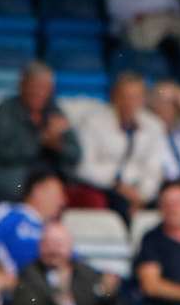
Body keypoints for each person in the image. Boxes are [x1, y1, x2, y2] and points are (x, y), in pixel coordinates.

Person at [0, 61, 80, 206]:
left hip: (48, 181)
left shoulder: (55, 112)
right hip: (11, 178)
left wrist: (58, 145)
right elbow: (2, 151)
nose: (39, 92)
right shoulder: (5, 110)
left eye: (44, 87)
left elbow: (75, 154)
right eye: (35, 86)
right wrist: (41, 140)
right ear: (22, 85)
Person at [72, 71, 168, 220]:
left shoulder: (154, 126)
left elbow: (154, 168)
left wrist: (141, 196)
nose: (130, 103)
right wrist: (117, 183)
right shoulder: (92, 123)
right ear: (114, 97)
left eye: (136, 97)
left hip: (141, 190)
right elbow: (83, 167)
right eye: (125, 97)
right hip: (104, 186)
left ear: (143, 99)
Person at [8, 223, 121, 305]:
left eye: (58, 245)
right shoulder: (28, 275)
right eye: (47, 244)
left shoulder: (87, 275)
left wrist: (108, 295)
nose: (53, 250)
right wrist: (58, 294)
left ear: (70, 246)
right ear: (40, 246)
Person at [0, 171, 66, 275]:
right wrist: (2, 275)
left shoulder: (55, 229)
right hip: (12, 287)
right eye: (58, 194)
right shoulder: (9, 213)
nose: (62, 201)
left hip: (44, 288)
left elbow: (72, 263)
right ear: (38, 190)